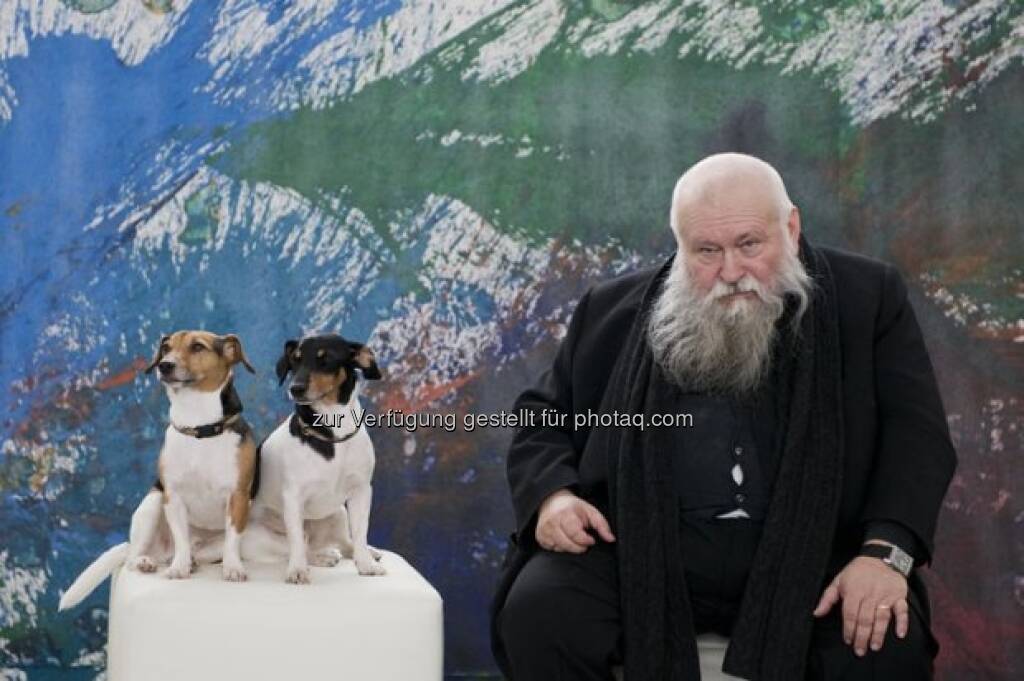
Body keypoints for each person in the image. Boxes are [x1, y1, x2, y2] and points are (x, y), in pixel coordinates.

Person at [490, 153, 957, 680]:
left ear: (792, 227)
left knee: (880, 643)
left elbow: (916, 436)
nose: (731, 272)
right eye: (707, 251)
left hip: (819, 555)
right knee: (538, 614)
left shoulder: (868, 298)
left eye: (749, 245)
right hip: (639, 553)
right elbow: (542, 416)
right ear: (680, 245)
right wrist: (554, 496)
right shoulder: (610, 310)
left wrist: (885, 555)